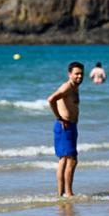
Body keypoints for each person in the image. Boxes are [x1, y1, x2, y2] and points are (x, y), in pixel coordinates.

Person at [47, 61, 83, 197]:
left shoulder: (75, 87)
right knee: (72, 159)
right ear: (70, 74)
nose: (79, 77)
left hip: (70, 127)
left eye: (81, 74)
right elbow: (51, 99)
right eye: (76, 74)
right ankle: (69, 193)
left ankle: (61, 193)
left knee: (64, 160)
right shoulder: (67, 87)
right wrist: (60, 117)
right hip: (64, 127)